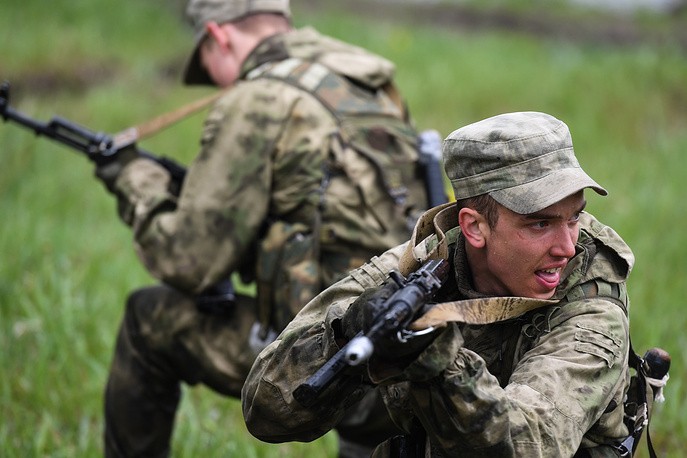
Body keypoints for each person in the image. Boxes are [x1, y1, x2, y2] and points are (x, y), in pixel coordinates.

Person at [96, 0, 432, 456]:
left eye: (208, 62)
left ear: (219, 36)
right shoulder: (363, 80)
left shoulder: (260, 97)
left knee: (147, 320)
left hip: (337, 357)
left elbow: (187, 260)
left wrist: (135, 179)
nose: (220, 81)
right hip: (416, 338)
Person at [243, 111, 637, 456]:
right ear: (474, 227)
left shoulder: (593, 306)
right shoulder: (421, 264)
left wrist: (439, 362)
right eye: (540, 224)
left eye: (574, 218)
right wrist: (345, 333)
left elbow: (531, 446)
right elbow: (265, 409)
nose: (567, 247)